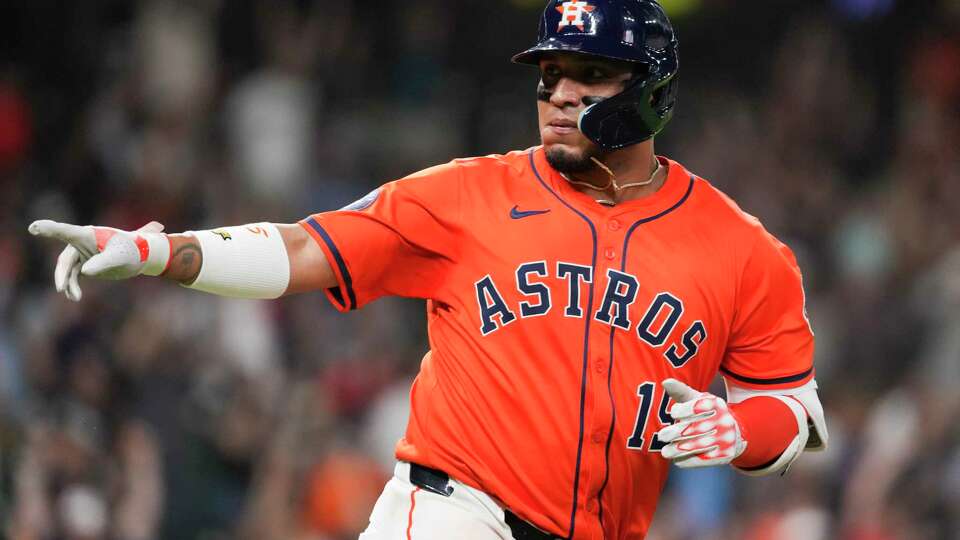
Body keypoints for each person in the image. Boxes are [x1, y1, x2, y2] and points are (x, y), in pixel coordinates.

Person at [29, 1, 828, 538]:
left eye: (588, 74)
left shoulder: (743, 250)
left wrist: (741, 430)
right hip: (455, 514)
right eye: (550, 74)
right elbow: (306, 248)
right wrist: (161, 252)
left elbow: (796, 412)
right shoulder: (466, 196)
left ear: (651, 90)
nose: (558, 94)